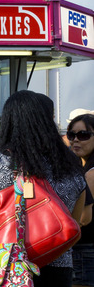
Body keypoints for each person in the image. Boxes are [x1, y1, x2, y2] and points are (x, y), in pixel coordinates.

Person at [0, 90, 89, 287]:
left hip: (8, 266)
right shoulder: (72, 168)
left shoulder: (0, 163)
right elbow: (74, 226)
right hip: (59, 269)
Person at [68, 113, 94, 287]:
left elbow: (84, 218)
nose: (76, 140)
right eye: (72, 135)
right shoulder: (81, 167)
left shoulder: (91, 173)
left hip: (85, 250)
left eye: (83, 135)